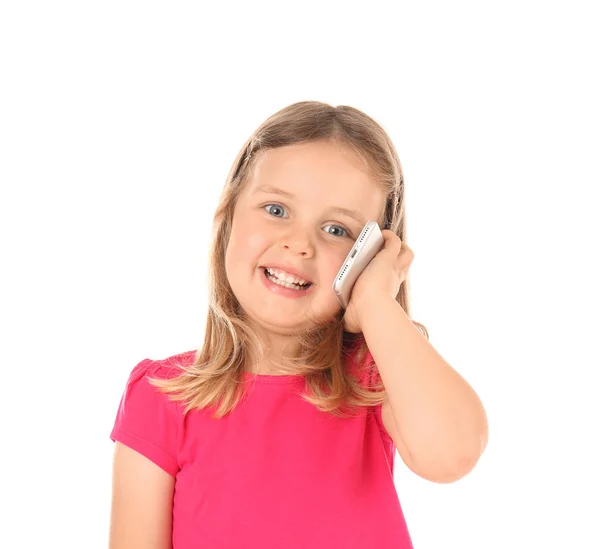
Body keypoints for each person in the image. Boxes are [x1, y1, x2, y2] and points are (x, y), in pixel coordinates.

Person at [108, 101, 488, 548]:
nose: (299, 244)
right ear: (229, 216)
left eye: (336, 230)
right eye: (275, 210)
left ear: (368, 257)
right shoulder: (162, 396)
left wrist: (376, 302)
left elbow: (452, 454)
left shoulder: (375, 378)